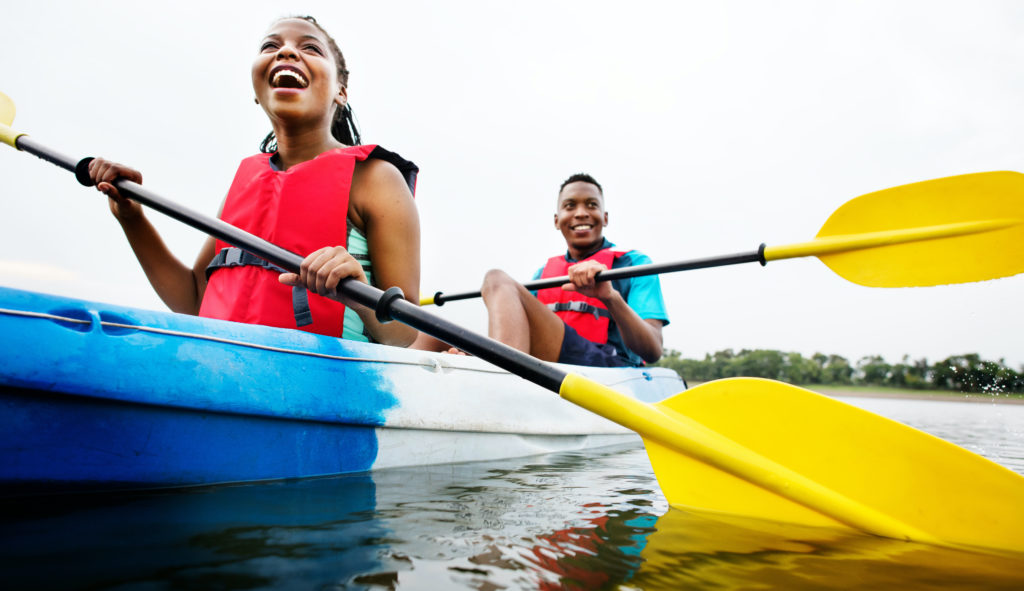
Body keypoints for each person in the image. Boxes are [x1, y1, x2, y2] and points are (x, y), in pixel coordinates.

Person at [87, 16, 421, 347]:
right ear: (257, 92)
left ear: (341, 91)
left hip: (326, 385)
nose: (286, 52)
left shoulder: (377, 179)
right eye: (271, 46)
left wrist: (359, 295)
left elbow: (404, 333)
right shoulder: (245, 184)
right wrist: (132, 218)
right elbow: (193, 300)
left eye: (310, 48)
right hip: (224, 376)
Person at [418, 173, 667, 366]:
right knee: (431, 333)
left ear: (605, 217)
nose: (581, 213)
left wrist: (610, 298)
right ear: (557, 220)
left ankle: (495, 378)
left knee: (496, 280)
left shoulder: (634, 264)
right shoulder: (543, 274)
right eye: (570, 206)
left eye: (591, 205)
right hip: (553, 365)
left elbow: (653, 350)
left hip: (609, 369)